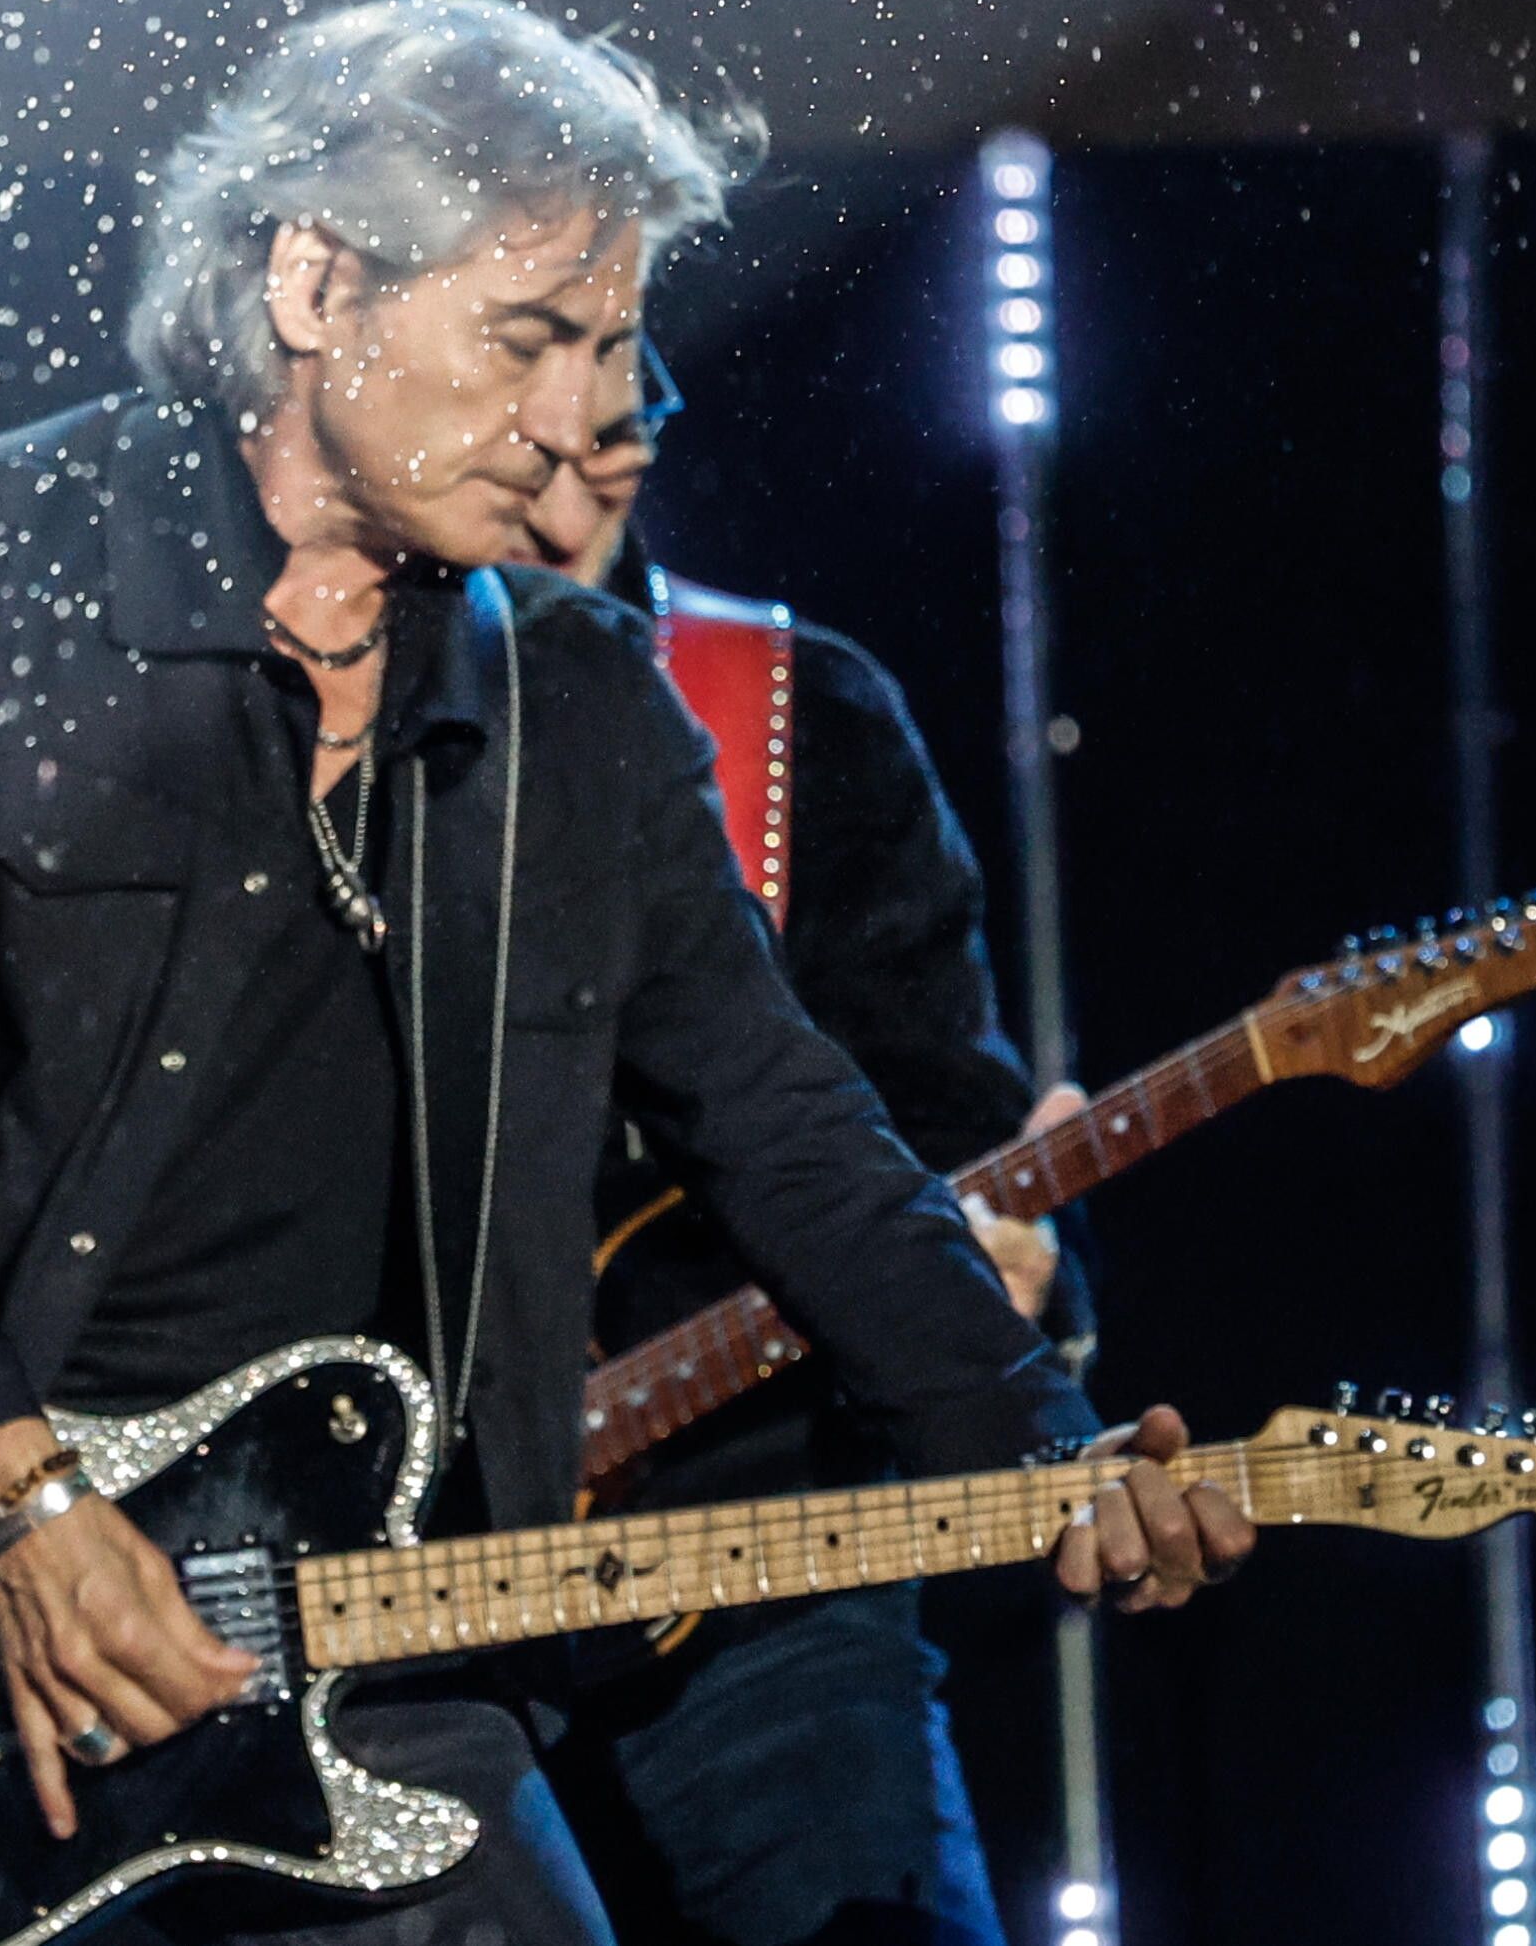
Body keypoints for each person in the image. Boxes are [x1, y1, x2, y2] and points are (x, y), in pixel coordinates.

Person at [0, 0, 1251, 1946]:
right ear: (314, 284)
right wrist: (18, 1495)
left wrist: (1047, 1452)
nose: (579, 416)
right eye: (527, 336)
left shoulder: (580, 704)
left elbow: (789, 1125)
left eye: (609, 346)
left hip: (358, 1640)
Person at [493, 377, 1088, 1945]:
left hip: (758, 1545)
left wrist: (1011, 1281)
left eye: (606, 446)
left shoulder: (790, 705)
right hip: (404, 1576)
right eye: (524, 451)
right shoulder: (327, 697)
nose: (562, 504)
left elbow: (942, 1119)